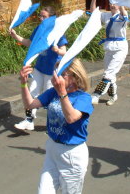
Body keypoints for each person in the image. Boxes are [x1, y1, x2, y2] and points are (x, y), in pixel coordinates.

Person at [19, 58, 93, 194]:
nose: (57, 77)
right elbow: (29, 104)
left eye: (62, 74)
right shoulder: (53, 92)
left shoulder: (83, 98)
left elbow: (71, 118)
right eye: (57, 72)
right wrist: (23, 84)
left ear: (75, 77)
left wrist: (62, 93)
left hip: (72, 154)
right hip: (52, 148)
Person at [9, 6, 67, 130]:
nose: (40, 19)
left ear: (51, 18)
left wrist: (58, 50)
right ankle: (29, 120)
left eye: (43, 16)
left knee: (50, 97)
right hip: (39, 68)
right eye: (40, 16)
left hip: (52, 71)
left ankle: (54, 124)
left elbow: (64, 51)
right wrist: (16, 36)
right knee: (32, 92)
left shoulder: (57, 30)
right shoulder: (39, 29)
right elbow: (30, 44)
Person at [90, 0, 128, 106]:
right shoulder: (106, 16)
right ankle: (113, 96)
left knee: (108, 73)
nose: (112, 5)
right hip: (109, 47)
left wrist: (120, 0)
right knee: (110, 73)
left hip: (120, 48)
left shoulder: (122, 17)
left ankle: (96, 94)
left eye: (115, 3)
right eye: (111, 3)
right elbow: (93, 13)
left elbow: (124, 14)